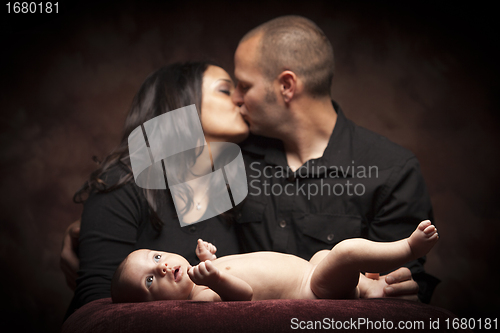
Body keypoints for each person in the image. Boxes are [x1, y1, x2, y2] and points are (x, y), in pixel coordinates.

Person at [63, 61, 249, 319]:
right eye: (225, 90)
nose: (241, 99)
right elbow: (95, 306)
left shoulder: (235, 181)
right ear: (181, 106)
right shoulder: (124, 183)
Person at [111, 220, 438, 303]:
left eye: (155, 257)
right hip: (311, 290)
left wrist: (209, 260)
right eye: (150, 280)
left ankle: (371, 286)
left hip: (311, 269)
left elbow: (231, 266)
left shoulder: (200, 275)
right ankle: (408, 247)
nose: (162, 266)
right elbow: (243, 295)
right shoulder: (201, 295)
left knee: (323, 256)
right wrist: (215, 278)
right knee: (345, 252)